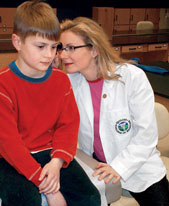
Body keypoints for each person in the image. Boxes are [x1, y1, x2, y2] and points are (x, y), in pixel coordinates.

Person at [55, 16, 169, 206]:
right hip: (96, 167)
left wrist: (118, 167)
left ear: (94, 49)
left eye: (71, 48)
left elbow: (146, 136)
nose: (62, 55)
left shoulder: (131, 78)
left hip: (140, 167)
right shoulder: (69, 83)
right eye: (61, 48)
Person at [0, 2, 101, 206]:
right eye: (41, 46)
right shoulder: (3, 85)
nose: (50, 55)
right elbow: (9, 144)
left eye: (54, 47)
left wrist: (57, 162)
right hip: (10, 160)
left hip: (50, 153)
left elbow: (68, 125)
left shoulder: (61, 80)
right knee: (26, 201)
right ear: (17, 42)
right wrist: (48, 187)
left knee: (90, 197)